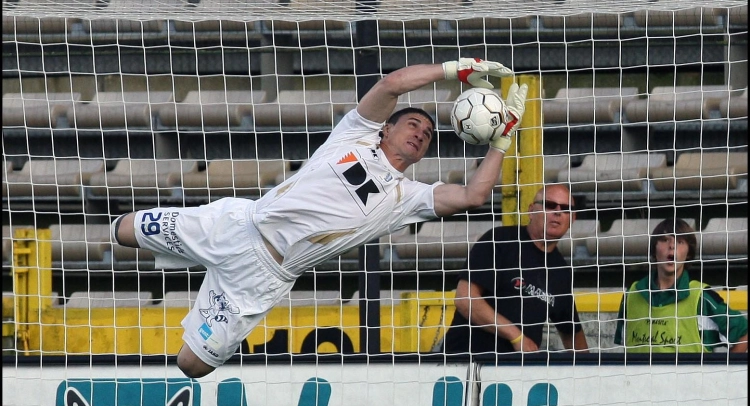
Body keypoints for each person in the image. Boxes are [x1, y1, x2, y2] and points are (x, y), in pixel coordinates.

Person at [111, 58, 529, 377]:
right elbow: (390, 84)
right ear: (386, 129)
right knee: (123, 230)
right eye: (413, 124)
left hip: (260, 278)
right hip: (236, 225)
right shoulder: (354, 133)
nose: (420, 133)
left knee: (192, 365)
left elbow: (475, 195)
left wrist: (503, 139)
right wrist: (454, 70)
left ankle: (208, 305)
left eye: (427, 135)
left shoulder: (409, 197)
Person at [441, 183, 590, 354]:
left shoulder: (560, 271)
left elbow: (571, 332)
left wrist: (591, 373)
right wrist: (516, 336)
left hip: (516, 373)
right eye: (549, 205)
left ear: (572, 219)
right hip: (465, 364)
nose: (557, 212)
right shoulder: (500, 240)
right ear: (531, 210)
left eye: (565, 209)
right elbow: (465, 299)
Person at [614, 218, 748, 353]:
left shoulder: (702, 297)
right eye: (665, 239)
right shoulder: (632, 294)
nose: (672, 246)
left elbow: (744, 333)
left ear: (688, 253)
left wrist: (721, 374)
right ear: (654, 248)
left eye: (680, 241)